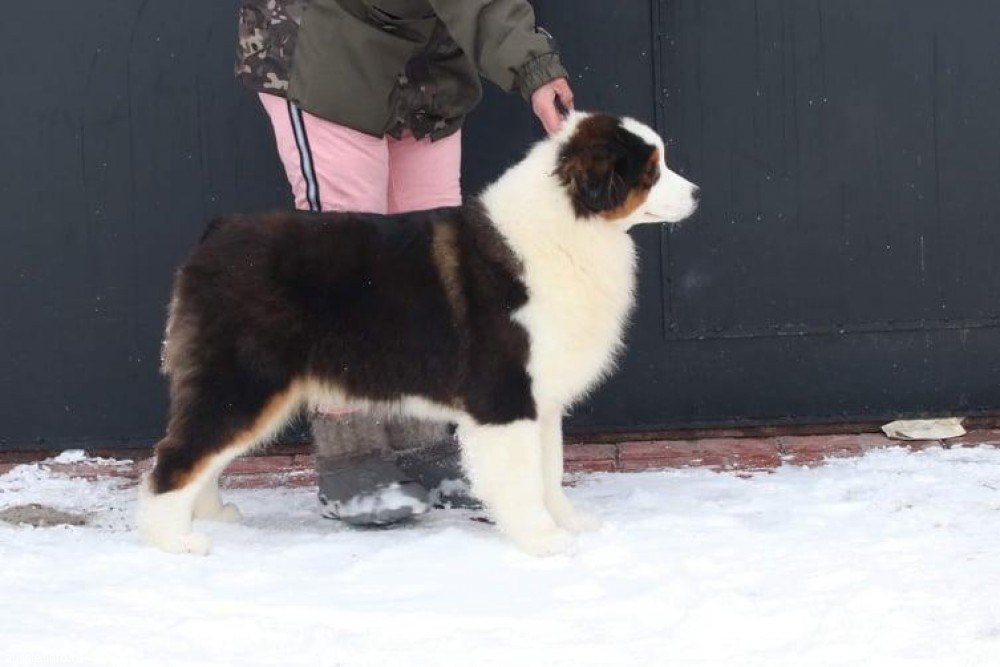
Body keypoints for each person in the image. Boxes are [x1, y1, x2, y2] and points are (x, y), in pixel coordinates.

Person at [235, 0, 575, 526]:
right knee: (347, 262)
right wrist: (533, 67)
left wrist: (534, 66)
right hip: (329, 43)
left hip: (425, 64)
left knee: (429, 263)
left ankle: (419, 440)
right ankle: (350, 452)